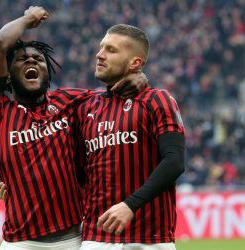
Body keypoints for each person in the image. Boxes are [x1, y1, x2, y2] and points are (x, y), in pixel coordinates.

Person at [0, 6, 147, 250]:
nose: (31, 61)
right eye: (22, 60)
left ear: (48, 74)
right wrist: (27, 19)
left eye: (38, 59)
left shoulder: (69, 101)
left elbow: (116, 91)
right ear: (7, 76)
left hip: (74, 239)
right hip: (20, 243)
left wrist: (139, 78)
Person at [76, 24, 185, 250]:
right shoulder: (85, 107)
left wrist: (130, 205)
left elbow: (174, 161)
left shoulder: (157, 100)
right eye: (101, 47)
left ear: (135, 63)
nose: (100, 54)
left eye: (111, 50)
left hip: (149, 240)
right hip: (95, 240)